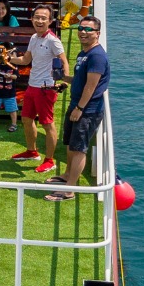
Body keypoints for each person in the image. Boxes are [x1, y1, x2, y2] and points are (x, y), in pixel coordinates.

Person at [48, 16, 110, 200]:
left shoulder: (97, 56)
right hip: (76, 104)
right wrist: (63, 78)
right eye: (81, 28)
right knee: (70, 143)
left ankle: (69, 189)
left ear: (97, 33)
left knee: (79, 148)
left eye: (88, 30)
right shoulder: (84, 53)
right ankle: (67, 175)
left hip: (87, 109)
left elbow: (91, 86)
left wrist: (80, 108)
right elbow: (80, 81)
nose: (83, 32)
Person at [11, 5, 67, 174]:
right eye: (37, 17)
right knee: (27, 119)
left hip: (46, 88)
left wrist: (62, 82)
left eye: (44, 18)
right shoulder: (34, 37)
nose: (40, 20)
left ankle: (50, 160)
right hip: (32, 86)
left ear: (50, 21)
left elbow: (64, 62)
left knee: (47, 124)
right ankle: (31, 151)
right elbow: (26, 59)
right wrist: (8, 58)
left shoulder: (53, 41)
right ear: (32, 19)